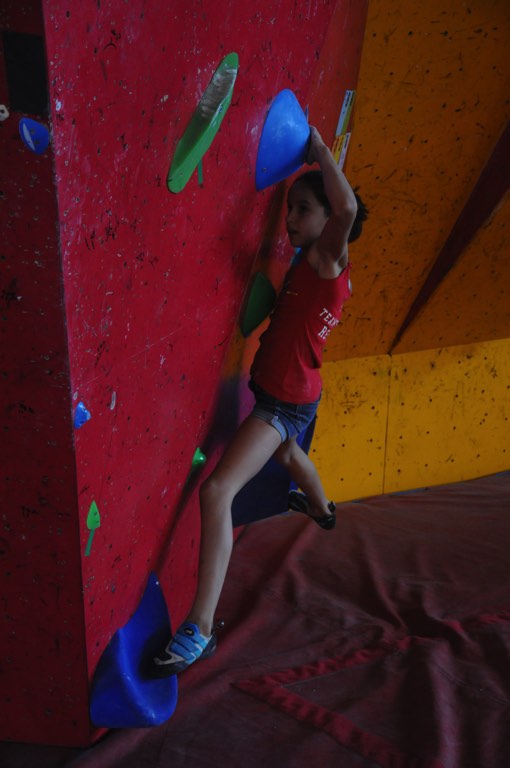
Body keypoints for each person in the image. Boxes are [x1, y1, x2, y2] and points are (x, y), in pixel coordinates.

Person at [149, 126, 368, 677]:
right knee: (289, 455)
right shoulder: (313, 262)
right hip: (295, 395)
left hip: (282, 405)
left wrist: (320, 150)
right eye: (289, 208)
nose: (290, 218)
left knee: (217, 490)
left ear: (329, 223)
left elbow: (346, 207)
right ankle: (321, 509)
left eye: (303, 209)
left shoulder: (326, 261)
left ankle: (199, 629)